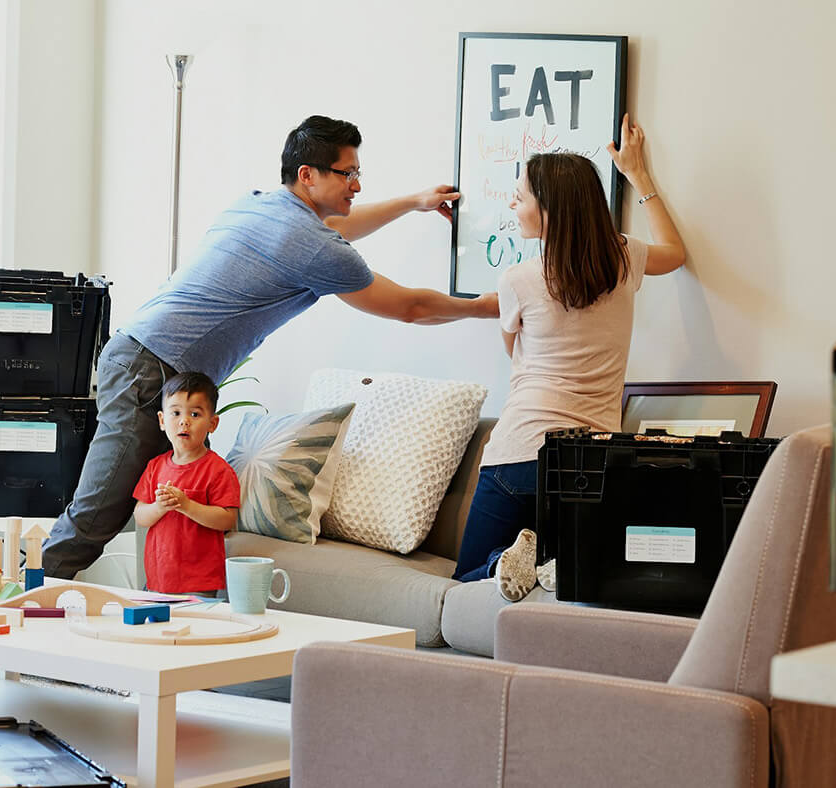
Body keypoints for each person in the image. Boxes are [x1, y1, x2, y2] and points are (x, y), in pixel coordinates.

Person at [43, 115, 499, 578]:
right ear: (308, 175)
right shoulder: (314, 246)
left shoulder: (259, 204)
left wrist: (410, 203)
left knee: (99, 508)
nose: (356, 186)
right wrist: (485, 306)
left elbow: (337, 226)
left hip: (137, 356)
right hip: (153, 371)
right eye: (348, 174)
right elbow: (410, 307)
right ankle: (15, 611)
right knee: (98, 512)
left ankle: (25, 600)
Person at [452, 113, 687, 601]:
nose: (513, 201)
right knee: (576, 573)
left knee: (467, 576)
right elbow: (676, 252)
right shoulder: (624, 259)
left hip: (519, 454)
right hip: (593, 459)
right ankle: (550, 563)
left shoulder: (518, 280)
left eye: (522, 194)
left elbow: (513, 352)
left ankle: (517, 563)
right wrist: (639, 176)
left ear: (550, 208)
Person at [131, 372, 240, 596]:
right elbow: (141, 516)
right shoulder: (155, 467)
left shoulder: (218, 470)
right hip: (158, 578)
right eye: (176, 413)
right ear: (162, 421)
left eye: (195, 414)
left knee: (197, 629)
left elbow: (227, 519)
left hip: (200, 582)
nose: (184, 421)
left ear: (212, 423)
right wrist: (160, 507)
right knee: (156, 629)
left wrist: (186, 505)